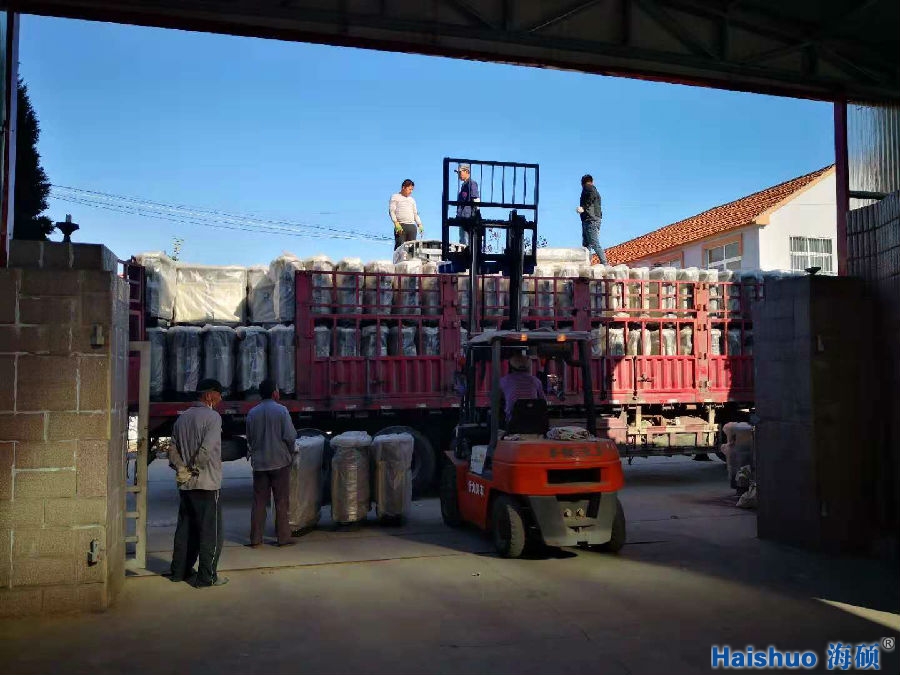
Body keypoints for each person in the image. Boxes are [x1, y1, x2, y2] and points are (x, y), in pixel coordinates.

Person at [168, 378, 228, 587]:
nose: (220, 400)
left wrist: (181, 468)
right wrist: (194, 468)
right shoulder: (213, 417)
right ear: (209, 395)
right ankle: (207, 577)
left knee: (186, 530)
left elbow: (172, 448)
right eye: (219, 395)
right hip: (207, 483)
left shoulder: (182, 418)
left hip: (185, 485)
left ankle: (179, 572)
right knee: (211, 533)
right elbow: (206, 449)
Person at [246, 378, 299, 547]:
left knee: (259, 502)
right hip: (280, 462)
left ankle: (256, 539)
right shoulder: (281, 411)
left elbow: (250, 438)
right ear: (274, 393)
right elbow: (290, 436)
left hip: (260, 464)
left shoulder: (252, 413)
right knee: (281, 501)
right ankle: (283, 537)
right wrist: (291, 452)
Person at [499, 352, 546, 423]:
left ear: (511, 367)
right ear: (528, 367)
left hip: (513, 422)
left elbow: (496, 398)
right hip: (533, 420)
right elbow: (543, 401)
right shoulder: (536, 381)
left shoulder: (504, 380)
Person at [577, 174, 607, 265]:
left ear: (582, 183)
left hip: (590, 220)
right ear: (592, 181)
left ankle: (605, 264)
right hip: (592, 219)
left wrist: (583, 207)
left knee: (594, 243)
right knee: (587, 246)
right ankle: (587, 264)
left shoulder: (588, 187)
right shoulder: (594, 190)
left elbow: (591, 196)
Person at [389, 179, 423, 250]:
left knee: (412, 249)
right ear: (403, 187)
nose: (411, 191)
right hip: (400, 226)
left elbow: (415, 213)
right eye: (409, 189)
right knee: (400, 248)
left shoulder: (412, 200)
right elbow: (392, 211)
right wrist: (396, 223)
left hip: (411, 226)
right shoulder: (395, 197)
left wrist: (419, 224)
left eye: (412, 189)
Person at [455, 163, 480, 246]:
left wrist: (477, 214)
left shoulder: (471, 184)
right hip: (463, 218)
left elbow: (476, 199)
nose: (458, 175)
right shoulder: (464, 185)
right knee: (463, 241)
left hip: (468, 218)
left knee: (466, 243)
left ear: (466, 171)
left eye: (460, 172)